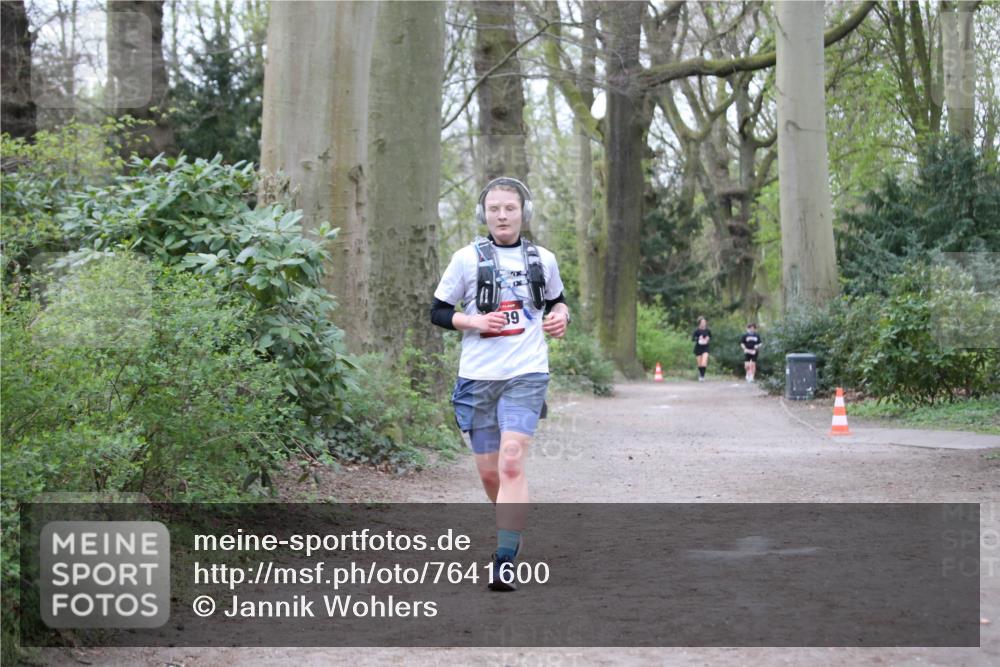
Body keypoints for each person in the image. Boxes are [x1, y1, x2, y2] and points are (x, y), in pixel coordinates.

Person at [429, 176, 570, 591]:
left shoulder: (543, 259)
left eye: (510, 208)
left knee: (511, 462)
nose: (502, 215)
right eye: (495, 209)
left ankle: (504, 558)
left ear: (523, 212)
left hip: (526, 373)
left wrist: (562, 316)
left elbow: (558, 301)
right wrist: (472, 320)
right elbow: (437, 312)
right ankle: (512, 519)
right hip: (477, 378)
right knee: (491, 475)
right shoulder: (465, 260)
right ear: (484, 214)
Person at [692, 317, 711, 381]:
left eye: (705, 322)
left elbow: (710, 337)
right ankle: (701, 375)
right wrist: (698, 338)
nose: (704, 323)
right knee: (699, 364)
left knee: (704, 362)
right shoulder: (696, 331)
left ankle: (702, 376)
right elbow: (693, 339)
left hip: (705, 348)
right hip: (698, 348)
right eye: (702, 322)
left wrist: (708, 339)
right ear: (699, 323)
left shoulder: (708, 330)